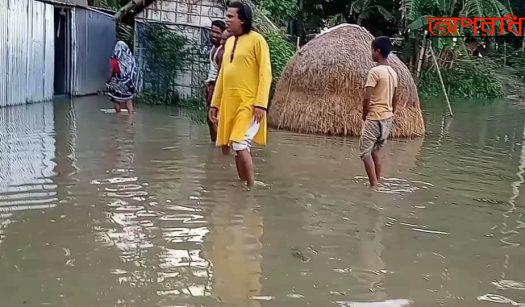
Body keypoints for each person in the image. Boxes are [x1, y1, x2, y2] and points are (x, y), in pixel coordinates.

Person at [208, 1, 272, 188]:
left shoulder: (257, 40)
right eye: (226, 16)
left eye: (230, 17)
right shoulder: (229, 43)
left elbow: (265, 74)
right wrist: (215, 104)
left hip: (249, 104)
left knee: (239, 143)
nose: (226, 20)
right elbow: (222, 77)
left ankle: (251, 188)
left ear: (242, 19)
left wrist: (261, 103)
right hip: (230, 103)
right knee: (235, 146)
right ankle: (242, 185)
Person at [360, 36, 398, 188]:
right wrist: (391, 113)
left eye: (372, 50)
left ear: (378, 51)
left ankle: (373, 185)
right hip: (387, 118)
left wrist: (364, 115)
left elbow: (366, 98)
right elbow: (395, 98)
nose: (371, 53)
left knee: (365, 152)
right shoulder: (393, 73)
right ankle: (378, 181)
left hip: (375, 116)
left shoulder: (374, 72)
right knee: (376, 151)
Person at [205, 20, 227, 142]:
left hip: (216, 88)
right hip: (212, 87)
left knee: (214, 119)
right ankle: (216, 145)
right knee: (211, 119)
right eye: (212, 31)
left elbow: (221, 75)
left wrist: (215, 95)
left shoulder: (222, 52)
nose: (214, 34)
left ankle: (218, 148)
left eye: (217, 33)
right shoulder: (215, 48)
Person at [106, 41, 137, 114]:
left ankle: (118, 117)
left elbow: (111, 72)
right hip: (129, 84)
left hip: (117, 84)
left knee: (115, 100)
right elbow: (134, 72)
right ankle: (130, 118)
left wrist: (108, 81)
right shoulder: (131, 60)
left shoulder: (114, 60)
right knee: (129, 101)